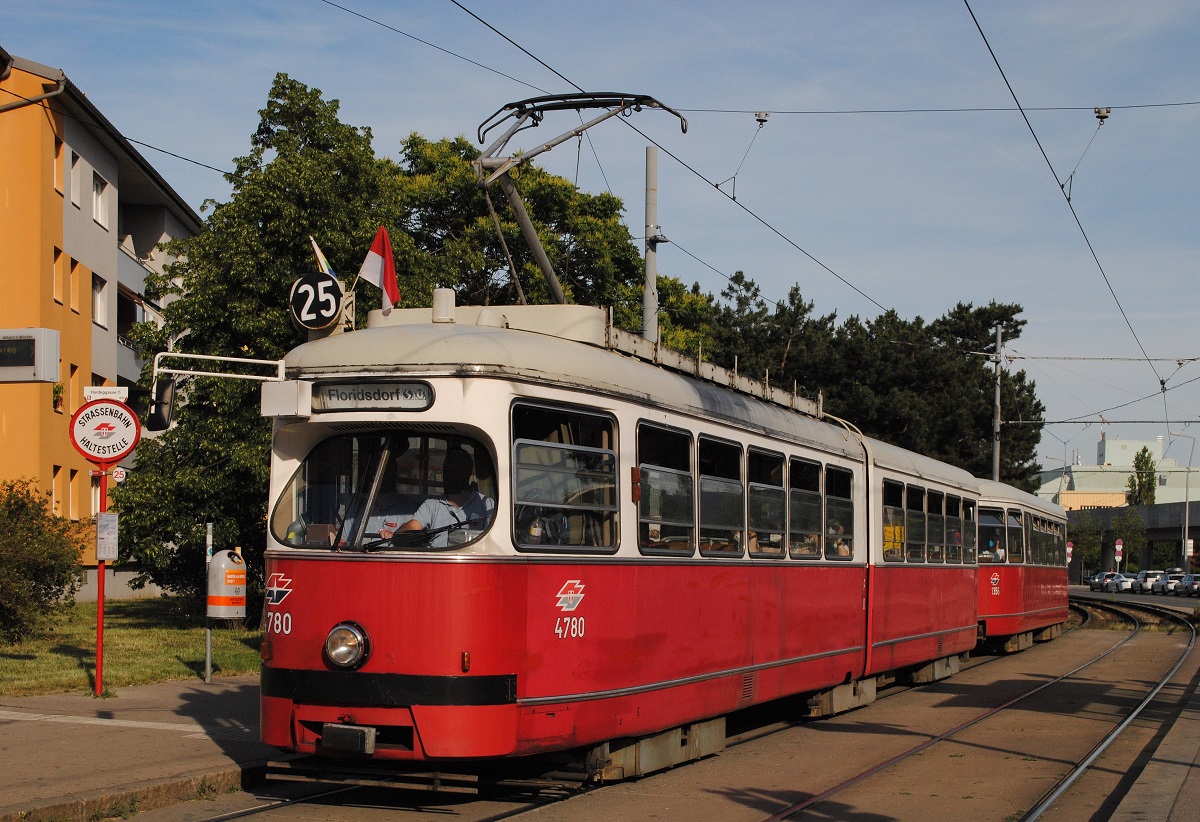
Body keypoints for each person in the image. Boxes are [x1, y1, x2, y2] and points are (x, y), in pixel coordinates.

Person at [392, 449, 495, 548]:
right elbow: (411, 528)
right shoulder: (432, 505)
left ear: (468, 472)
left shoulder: (486, 504)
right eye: (447, 469)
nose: (450, 474)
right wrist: (403, 533)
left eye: (456, 469)